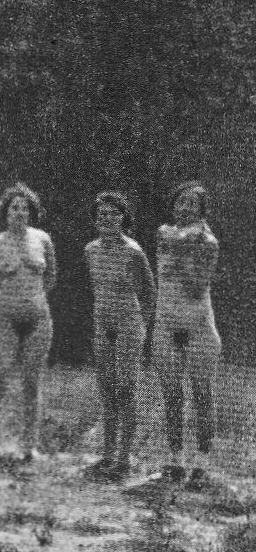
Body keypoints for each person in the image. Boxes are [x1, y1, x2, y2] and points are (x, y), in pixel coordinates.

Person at [0, 183, 57, 465]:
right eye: (15, 207)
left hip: (38, 318)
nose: (20, 212)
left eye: (25, 208)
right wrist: (4, 297)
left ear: (31, 212)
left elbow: (51, 276)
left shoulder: (43, 240)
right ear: (6, 212)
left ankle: (28, 446)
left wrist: (33, 298)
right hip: (5, 319)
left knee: (31, 383)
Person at [152, 181, 220, 489]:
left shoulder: (208, 242)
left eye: (192, 203)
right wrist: (180, 246)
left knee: (201, 393)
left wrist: (182, 254)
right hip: (167, 323)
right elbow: (163, 274)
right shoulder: (164, 233)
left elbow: (196, 286)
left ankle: (202, 464)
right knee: (171, 394)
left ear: (201, 210)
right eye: (181, 201)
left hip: (198, 326)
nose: (185, 208)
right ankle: (174, 459)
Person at [83, 192, 155, 480]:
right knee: (107, 388)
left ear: (124, 218)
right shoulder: (91, 250)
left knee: (125, 388)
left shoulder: (133, 251)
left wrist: (141, 327)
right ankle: (108, 452)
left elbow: (148, 293)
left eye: (114, 213)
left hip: (129, 323)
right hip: (103, 323)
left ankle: (124, 457)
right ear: (95, 219)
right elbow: (95, 288)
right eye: (102, 214)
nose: (108, 219)